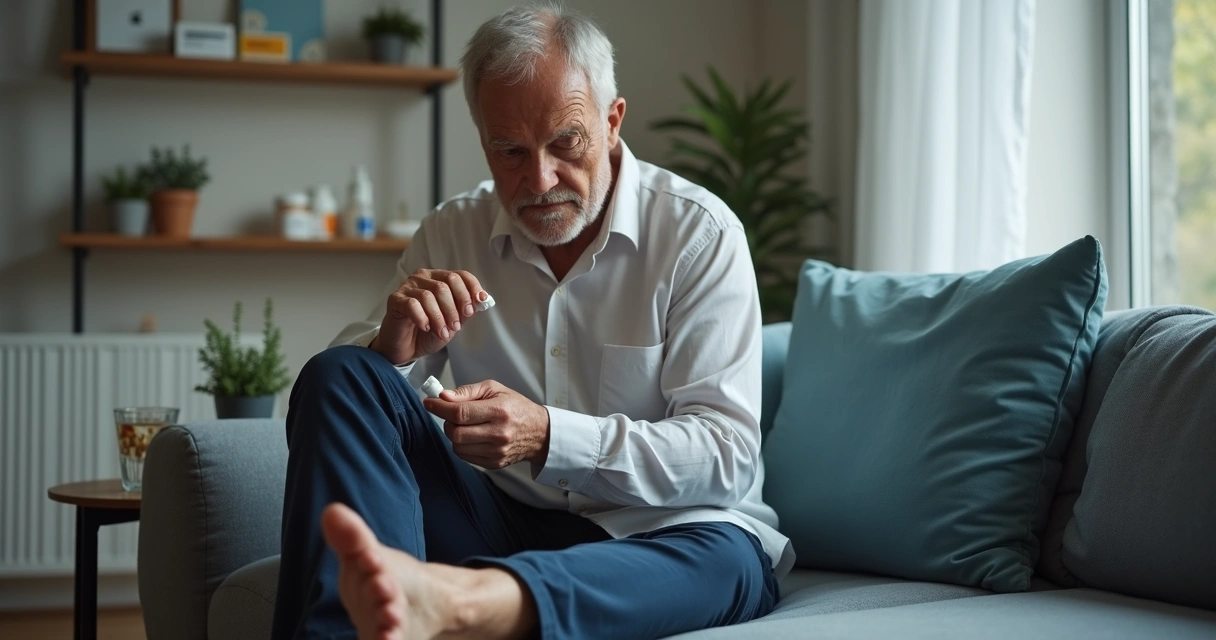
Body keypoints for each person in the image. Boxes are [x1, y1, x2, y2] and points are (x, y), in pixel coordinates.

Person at [271, 4, 794, 639]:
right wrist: (394, 350)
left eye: (566, 142)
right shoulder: (450, 231)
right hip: (501, 522)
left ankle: (472, 600)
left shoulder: (697, 234)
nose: (540, 179)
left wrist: (549, 436)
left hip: (671, 533)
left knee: (723, 565)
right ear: (483, 139)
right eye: (510, 150)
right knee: (343, 374)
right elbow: (366, 404)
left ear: (611, 121)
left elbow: (726, 455)